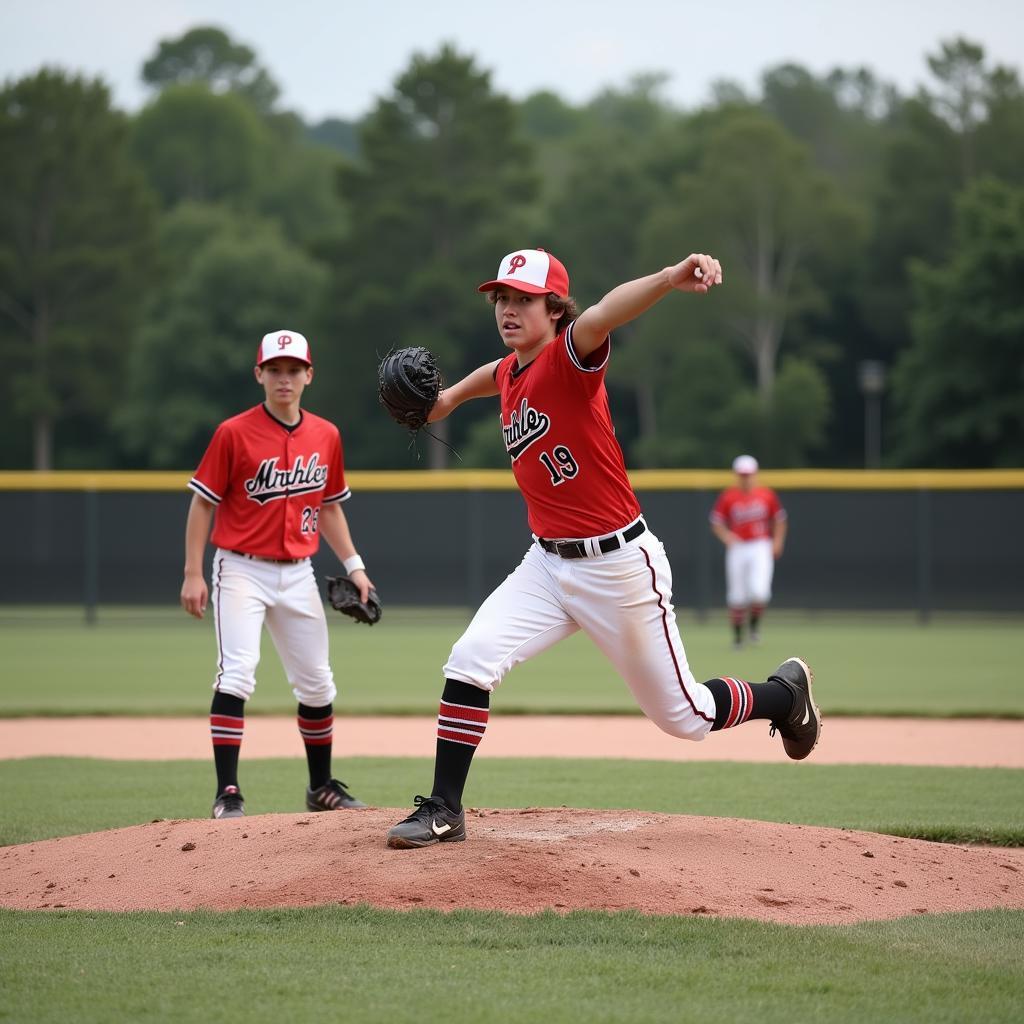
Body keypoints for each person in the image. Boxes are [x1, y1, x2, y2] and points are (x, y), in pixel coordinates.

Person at [386, 248, 821, 850]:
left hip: (618, 567)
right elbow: (490, 377)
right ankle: (444, 809)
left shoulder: (570, 354)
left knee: (685, 718)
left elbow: (605, 313)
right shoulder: (512, 372)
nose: (508, 310)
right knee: (470, 658)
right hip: (545, 565)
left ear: (554, 309)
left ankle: (783, 695)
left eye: (523, 300)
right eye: (502, 300)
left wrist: (670, 279)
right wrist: (444, 402)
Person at [181, 329, 373, 819]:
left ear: (309, 375)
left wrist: (355, 566)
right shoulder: (233, 433)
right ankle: (228, 793)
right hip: (240, 569)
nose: (283, 379)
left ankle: (320, 787)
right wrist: (193, 572)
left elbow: (329, 508)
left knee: (317, 684)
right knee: (238, 672)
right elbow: (203, 504)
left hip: (299, 572)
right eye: (274, 370)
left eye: (293, 370)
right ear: (259, 375)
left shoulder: (325, 435)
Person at [710, 455, 788, 649]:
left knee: (760, 592)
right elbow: (716, 521)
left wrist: (777, 541)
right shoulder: (729, 496)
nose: (745, 478)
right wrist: (727, 536)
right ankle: (737, 638)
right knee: (737, 594)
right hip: (738, 546)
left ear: (755, 474)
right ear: (737, 475)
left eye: (749, 474)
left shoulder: (766, 495)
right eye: (742, 475)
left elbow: (779, 519)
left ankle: (753, 627)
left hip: (760, 545)